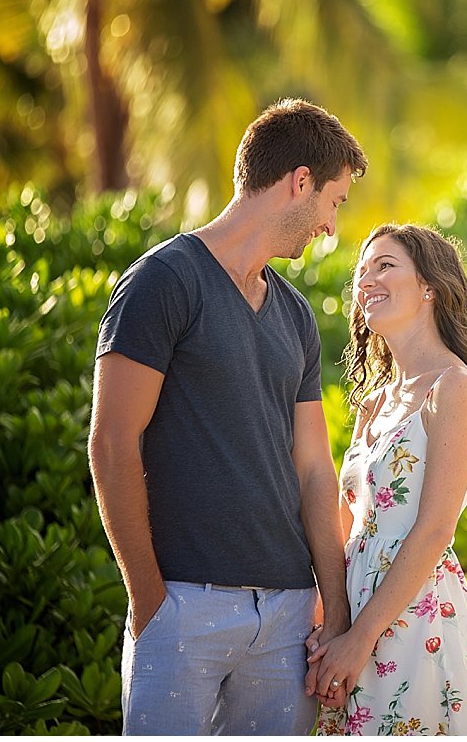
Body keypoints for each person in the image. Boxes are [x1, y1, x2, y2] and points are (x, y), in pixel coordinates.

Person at [90, 99, 367, 734]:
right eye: (334, 202)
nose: (330, 226)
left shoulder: (295, 314)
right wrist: (148, 598)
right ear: (300, 182)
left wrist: (335, 610)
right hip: (182, 606)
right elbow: (112, 442)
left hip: (289, 613)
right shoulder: (162, 282)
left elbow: (315, 470)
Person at [310, 225, 467, 735]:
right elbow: (349, 524)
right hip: (354, 609)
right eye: (362, 270)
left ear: (430, 286)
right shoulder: (374, 402)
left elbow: (436, 530)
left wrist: (360, 637)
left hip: (417, 617)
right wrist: (329, 617)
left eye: (384, 265)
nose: (366, 279)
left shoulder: (455, 388)